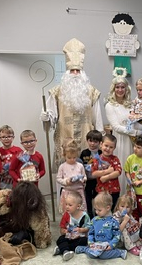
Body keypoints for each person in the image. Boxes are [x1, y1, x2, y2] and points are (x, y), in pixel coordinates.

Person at [41, 38, 104, 168]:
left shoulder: (92, 92)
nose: (75, 74)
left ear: (82, 73)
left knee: (88, 171)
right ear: (67, 73)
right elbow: (50, 115)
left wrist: (100, 138)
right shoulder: (57, 91)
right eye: (72, 71)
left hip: (88, 140)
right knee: (65, 172)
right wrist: (46, 117)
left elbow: (97, 118)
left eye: (78, 71)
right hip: (65, 137)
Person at [75, 192, 126, 260]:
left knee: (103, 256)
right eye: (95, 209)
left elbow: (117, 235)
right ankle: (85, 249)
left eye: (99, 210)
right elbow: (91, 233)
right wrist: (91, 243)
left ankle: (119, 252)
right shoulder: (94, 220)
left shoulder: (113, 221)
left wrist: (111, 245)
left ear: (108, 208)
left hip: (107, 246)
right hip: (96, 245)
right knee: (91, 255)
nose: (96, 212)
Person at [54, 190, 90, 261]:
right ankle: (65, 251)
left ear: (78, 206)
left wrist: (80, 230)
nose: (67, 207)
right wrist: (64, 231)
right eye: (66, 204)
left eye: (70, 205)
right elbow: (61, 229)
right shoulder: (66, 215)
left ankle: (62, 249)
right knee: (60, 239)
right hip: (69, 236)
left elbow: (88, 228)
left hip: (80, 237)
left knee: (84, 241)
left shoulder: (84, 216)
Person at [56, 140, 87, 213]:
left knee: (79, 210)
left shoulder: (80, 166)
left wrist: (83, 179)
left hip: (78, 191)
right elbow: (58, 178)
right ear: (64, 156)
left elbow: (84, 176)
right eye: (69, 158)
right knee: (68, 211)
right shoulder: (62, 166)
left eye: (74, 157)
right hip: (68, 191)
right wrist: (66, 181)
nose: (72, 160)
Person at [93, 133, 122, 206]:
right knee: (101, 208)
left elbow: (118, 172)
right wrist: (107, 171)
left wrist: (106, 177)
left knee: (113, 208)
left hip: (114, 190)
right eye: (106, 146)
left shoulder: (115, 159)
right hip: (101, 190)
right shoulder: (96, 159)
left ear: (114, 148)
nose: (108, 149)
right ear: (101, 144)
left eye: (111, 147)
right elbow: (94, 173)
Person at [80, 130, 103, 217]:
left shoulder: (101, 153)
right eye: (90, 141)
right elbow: (80, 165)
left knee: (98, 197)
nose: (92, 143)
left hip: (98, 180)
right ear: (87, 140)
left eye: (95, 141)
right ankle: (89, 215)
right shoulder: (84, 153)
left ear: (100, 143)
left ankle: (98, 213)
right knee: (88, 198)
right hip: (88, 180)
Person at [0, 125, 23, 190]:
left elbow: (22, 165)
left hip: (16, 180)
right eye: (3, 137)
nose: (6, 139)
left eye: (9, 136)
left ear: (13, 137)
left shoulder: (18, 150)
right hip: (4, 181)